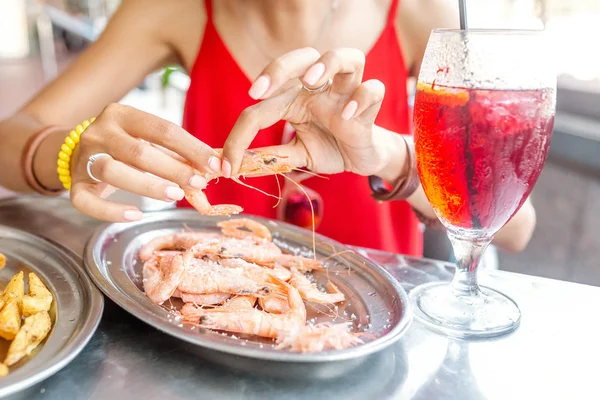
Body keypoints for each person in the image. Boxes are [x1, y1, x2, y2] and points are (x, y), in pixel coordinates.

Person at [0, 0, 536, 256]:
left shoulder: (423, 15)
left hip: (377, 337)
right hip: (199, 312)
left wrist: (386, 154)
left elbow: (514, 225)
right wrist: (72, 153)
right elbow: (13, 137)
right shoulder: (172, 11)